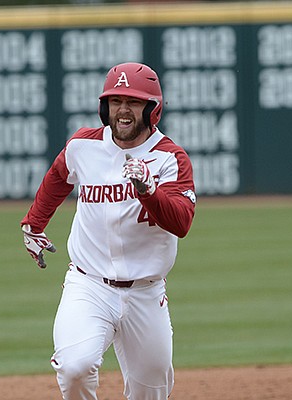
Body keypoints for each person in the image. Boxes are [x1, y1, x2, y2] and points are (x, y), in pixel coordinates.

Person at [21, 62, 196, 399]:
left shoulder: (170, 159)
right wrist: (34, 222)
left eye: (133, 101)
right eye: (115, 101)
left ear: (152, 108)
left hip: (145, 292)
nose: (123, 110)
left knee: (152, 390)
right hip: (88, 285)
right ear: (105, 107)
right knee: (74, 367)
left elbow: (181, 222)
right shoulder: (84, 146)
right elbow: (59, 177)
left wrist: (148, 191)